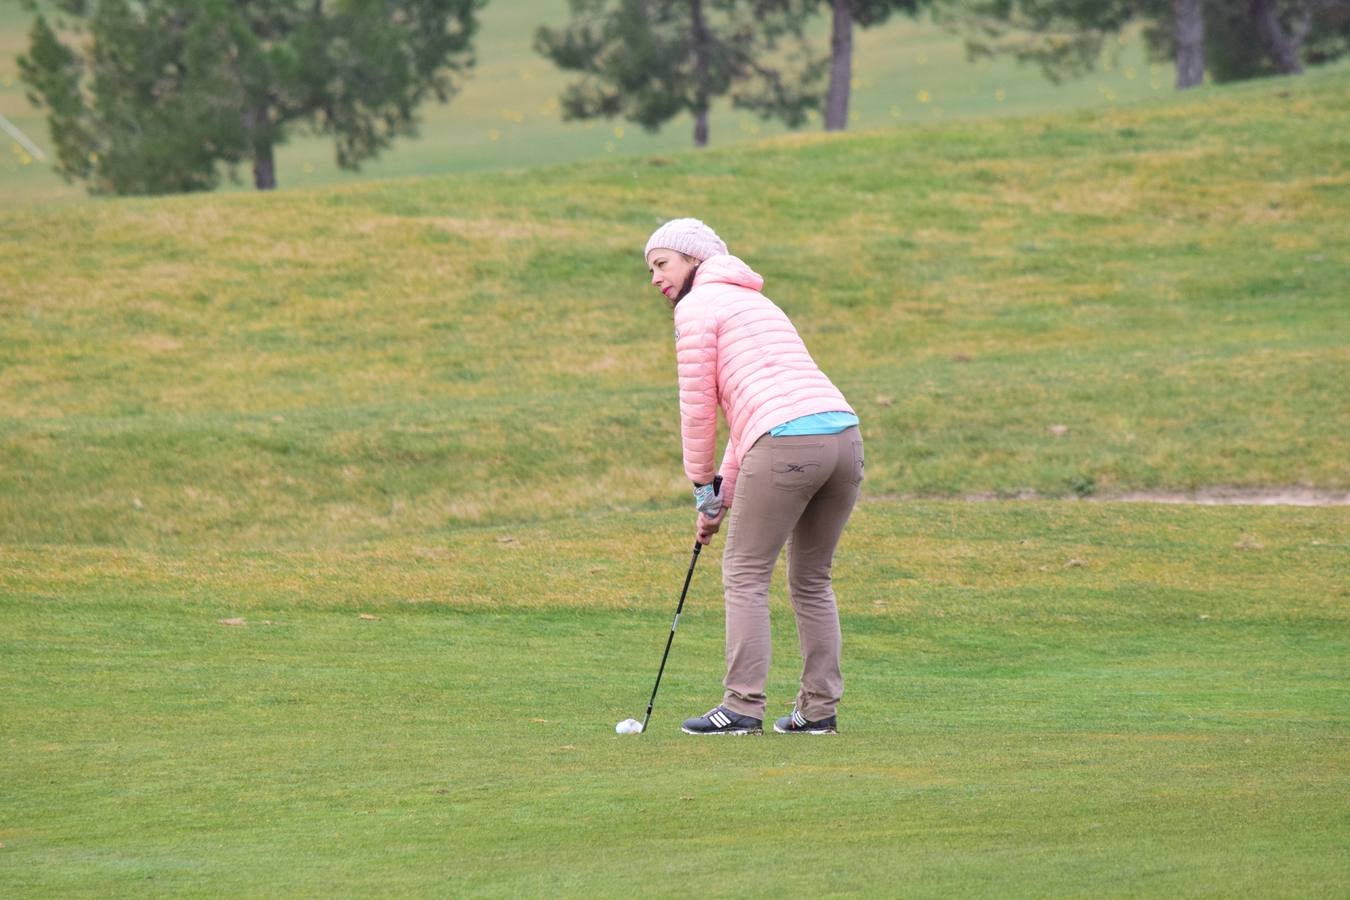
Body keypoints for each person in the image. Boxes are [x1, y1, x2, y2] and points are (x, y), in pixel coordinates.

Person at [643, 218, 864, 736]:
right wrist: (718, 496)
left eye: (661, 264)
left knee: (744, 573)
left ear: (694, 259)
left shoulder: (697, 308)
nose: (655, 279)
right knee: (811, 580)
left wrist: (702, 488)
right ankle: (817, 712)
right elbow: (751, 423)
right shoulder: (756, 303)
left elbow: (700, 411)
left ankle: (742, 706)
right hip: (844, 440)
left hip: (786, 442)